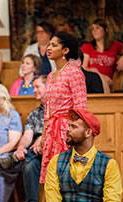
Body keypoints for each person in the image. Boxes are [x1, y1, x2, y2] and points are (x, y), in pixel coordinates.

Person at [39, 31, 87, 184]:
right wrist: (43, 134)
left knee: (66, 173)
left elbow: (80, 107)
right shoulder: (51, 75)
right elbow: (47, 109)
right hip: (51, 129)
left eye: (54, 45)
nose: (49, 48)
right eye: (49, 44)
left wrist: (74, 131)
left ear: (65, 50)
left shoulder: (74, 72)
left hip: (67, 128)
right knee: (51, 175)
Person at [0, 75, 47, 202]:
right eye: (33, 87)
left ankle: (14, 160)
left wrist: (42, 139)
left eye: (37, 87)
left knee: (27, 157)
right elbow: (27, 135)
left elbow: (56, 127)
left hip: (55, 150)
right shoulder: (34, 114)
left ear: (49, 87)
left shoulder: (58, 108)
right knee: (28, 163)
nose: (34, 90)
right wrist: (20, 148)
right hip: (37, 152)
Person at [81, 19, 123, 93]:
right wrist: (98, 73)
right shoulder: (88, 46)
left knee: (103, 79)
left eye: (97, 28)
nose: (94, 31)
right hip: (92, 80)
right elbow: (84, 68)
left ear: (106, 30)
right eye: (92, 29)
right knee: (96, 73)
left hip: (108, 81)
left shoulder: (115, 45)